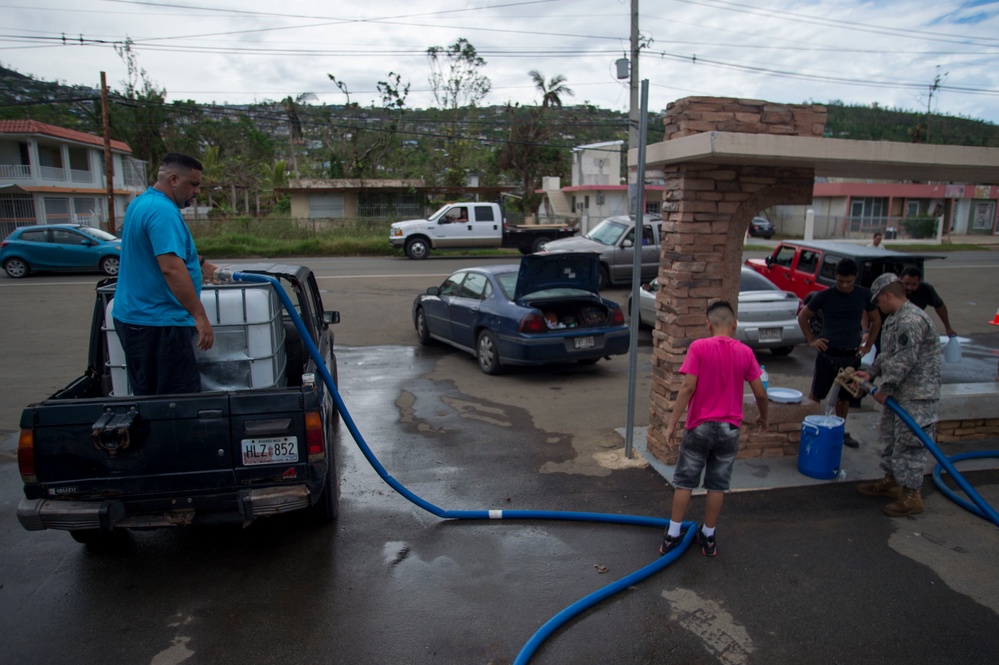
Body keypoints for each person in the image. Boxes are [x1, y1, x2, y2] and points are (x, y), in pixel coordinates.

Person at [659, 301, 769, 558]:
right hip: (729, 429)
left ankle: (673, 535)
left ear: (708, 324)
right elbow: (761, 394)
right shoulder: (745, 352)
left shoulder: (699, 347)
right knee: (717, 485)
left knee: (685, 481)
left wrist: (672, 423)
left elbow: (688, 388)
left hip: (699, 427)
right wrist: (764, 418)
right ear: (735, 324)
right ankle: (708, 537)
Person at [112, 152, 218, 395]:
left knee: (150, 396)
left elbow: (166, 251)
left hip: (138, 319)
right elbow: (171, 268)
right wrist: (199, 316)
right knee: (176, 402)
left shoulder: (143, 203)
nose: (197, 191)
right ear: (173, 179)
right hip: (157, 324)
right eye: (193, 184)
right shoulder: (163, 212)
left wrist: (203, 265)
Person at [855, 273, 941, 517]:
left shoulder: (911, 320)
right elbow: (887, 354)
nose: (876, 305)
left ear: (888, 295)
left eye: (878, 300)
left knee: (910, 445)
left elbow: (905, 360)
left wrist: (885, 388)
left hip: (916, 396)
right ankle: (892, 482)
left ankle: (911, 496)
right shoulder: (895, 319)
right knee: (892, 439)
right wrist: (871, 374)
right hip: (900, 396)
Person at [797, 258, 880, 448]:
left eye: (848, 281)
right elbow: (803, 316)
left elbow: (876, 320)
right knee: (816, 394)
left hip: (851, 355)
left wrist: (867, 346)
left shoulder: (864, 295)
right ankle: (812, 428)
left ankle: (840, 430)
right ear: (835, 277)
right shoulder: (825, 295)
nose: (844, 285)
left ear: (855, 278)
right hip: (827, 353)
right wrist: (811, 339)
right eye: (840, 281)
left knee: (844, 398)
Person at [900, 266, 956, 336]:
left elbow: (939, 306)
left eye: (914, 284)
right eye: (906, 284)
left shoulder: (926, 290)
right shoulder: (893, 290)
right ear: (900, 280)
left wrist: (948, 328)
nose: (910, 287)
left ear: (920, 281)